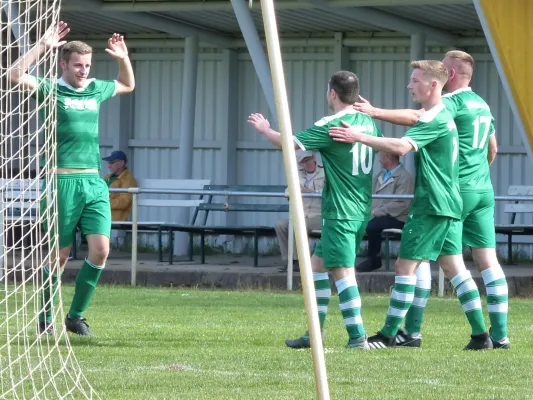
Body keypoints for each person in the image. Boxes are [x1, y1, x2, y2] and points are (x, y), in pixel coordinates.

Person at [329, 60, 492, 350]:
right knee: (454, 267)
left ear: (433, 85)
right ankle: (481, 336)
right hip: (449, 202)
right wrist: (374, 112)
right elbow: (414, 117)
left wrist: (358, 136)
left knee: (405, 267)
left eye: (415, 80)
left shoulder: (435, 118)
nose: (409, 85)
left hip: (431, 204)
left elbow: (402, 147)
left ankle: (389, 334)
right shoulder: (439, 114)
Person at [9, 22, 135, 336]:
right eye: (77, 65)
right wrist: (42, 46)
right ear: (64, 64)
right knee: (59, 255)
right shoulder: (50, 88)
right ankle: (45, 318)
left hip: (93, 182)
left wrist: (123, 57)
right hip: (60, 182)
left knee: (101, 250)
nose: (83, 70)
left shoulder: (95, 88)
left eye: (87, 65)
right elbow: (13, 75)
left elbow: (127, 84)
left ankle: (75, 317)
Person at [248, 70, 382, 350]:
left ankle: (358, 337)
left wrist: (264, 130)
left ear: (332, 93)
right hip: (359, 206)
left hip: (342, 210)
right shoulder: (368, 122)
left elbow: (290, 145)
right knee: (316, 268)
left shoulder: (332, 124)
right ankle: (314, 333)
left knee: (344, 272)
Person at [357, 151, 414, 272]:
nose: (378, 160)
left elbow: (401, 203)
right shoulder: (380, 175)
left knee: (373, 226)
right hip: (379, 215)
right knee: (358, 222)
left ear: (387, 157)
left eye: (380, 156)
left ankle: (374, 260)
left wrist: (377, 211)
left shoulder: (405, 177)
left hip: (398, 218)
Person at [275, 150, 324, 272]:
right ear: (299, 164)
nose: (307, 163)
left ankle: (301, 262)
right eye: (304, 161)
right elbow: (287, 192)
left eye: (308, 159)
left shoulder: (325, 172)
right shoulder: (296, 175)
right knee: (280, 225)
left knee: (297, 225)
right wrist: (295, 192)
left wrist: (315, 192)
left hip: (319, 215)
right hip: (302, 214)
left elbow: (332, 192)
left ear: (314, 158)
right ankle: (290, 260)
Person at [102, 150, 138, 221]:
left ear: (121, 163)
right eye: (109, 163)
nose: (109, 166)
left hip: (112, 217)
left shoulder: (128, 180)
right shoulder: (107, 177)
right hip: (102, 213)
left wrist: (103, 203)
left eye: (112, 163)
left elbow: (124, 202)